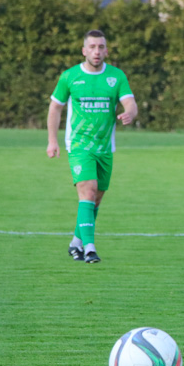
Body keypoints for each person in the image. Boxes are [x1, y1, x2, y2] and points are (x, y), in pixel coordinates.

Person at [47, 29, 138, 264]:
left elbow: (130, 102)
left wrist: (129, 113)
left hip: (105, 147)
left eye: (101, 47)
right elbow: (55, 107)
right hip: (79, 145)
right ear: (84, 50)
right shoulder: (70, 77)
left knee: (95, 199)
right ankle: (89, 248)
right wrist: (52, 141)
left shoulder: (116, 76)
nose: (97, 51)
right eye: (92, 47)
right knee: (88, 190)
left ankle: (75, 242)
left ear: (106, 50)